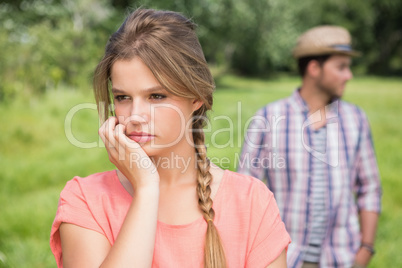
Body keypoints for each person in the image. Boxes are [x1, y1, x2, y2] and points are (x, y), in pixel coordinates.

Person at [50, 8, 290, 268]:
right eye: (122, 97)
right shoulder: (85, 199)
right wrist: (146, 189)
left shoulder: (252, 202)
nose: (135, 116)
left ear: (196, 97)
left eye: (156, 96)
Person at [238, 26, 381, 268]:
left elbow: (370, 189)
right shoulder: (269, 118)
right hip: (285, 258)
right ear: (314, 68)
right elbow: (244, 193)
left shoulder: (356, 119)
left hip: (342, 258)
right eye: (341, 67)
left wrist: (365, 250)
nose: (349, 75)